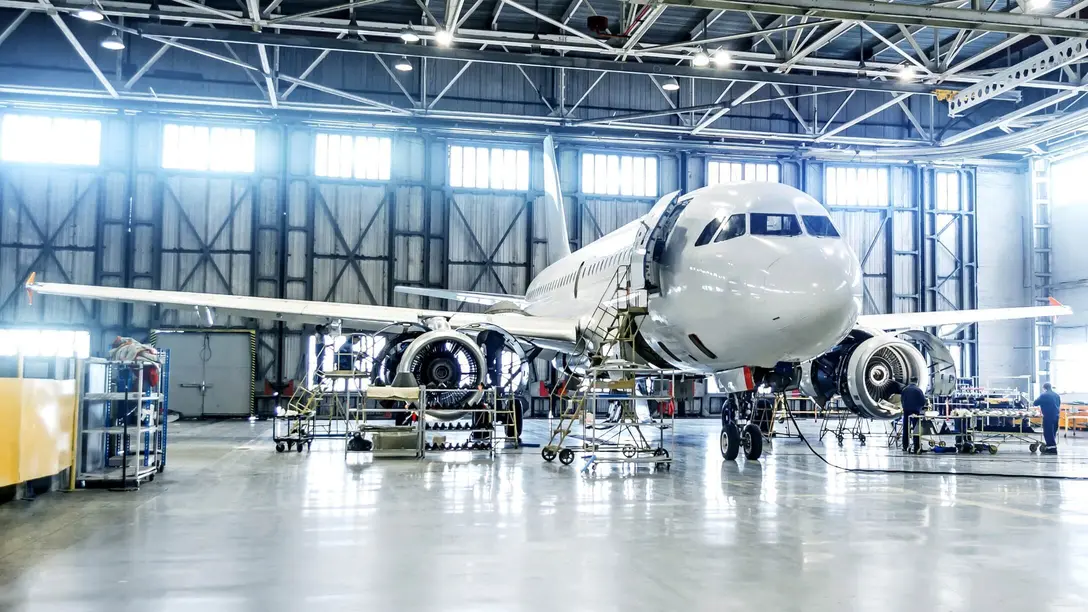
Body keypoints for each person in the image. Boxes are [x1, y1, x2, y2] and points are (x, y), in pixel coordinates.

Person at [893, 381, 927, 453]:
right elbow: (923, 401)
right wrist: (920, 408)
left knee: (906, 429)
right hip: (915, 412)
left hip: (906, 411)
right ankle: (916, 447)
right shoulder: (918, 390)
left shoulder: (905, 390)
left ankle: (905, 446)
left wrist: (904, 407)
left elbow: (901, 400)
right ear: (917, 382)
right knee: (916, 429)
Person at [1033, 382, 1061, 455]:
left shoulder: (1044, 395)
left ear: (1044, 388)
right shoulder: (1057, 395)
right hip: (1056, 416)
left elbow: (1035, 403)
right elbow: (1058, 405)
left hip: (1048, 416)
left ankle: (1052, 450)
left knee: (1048, 432)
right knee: (1053, 432)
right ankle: (1051, 446)